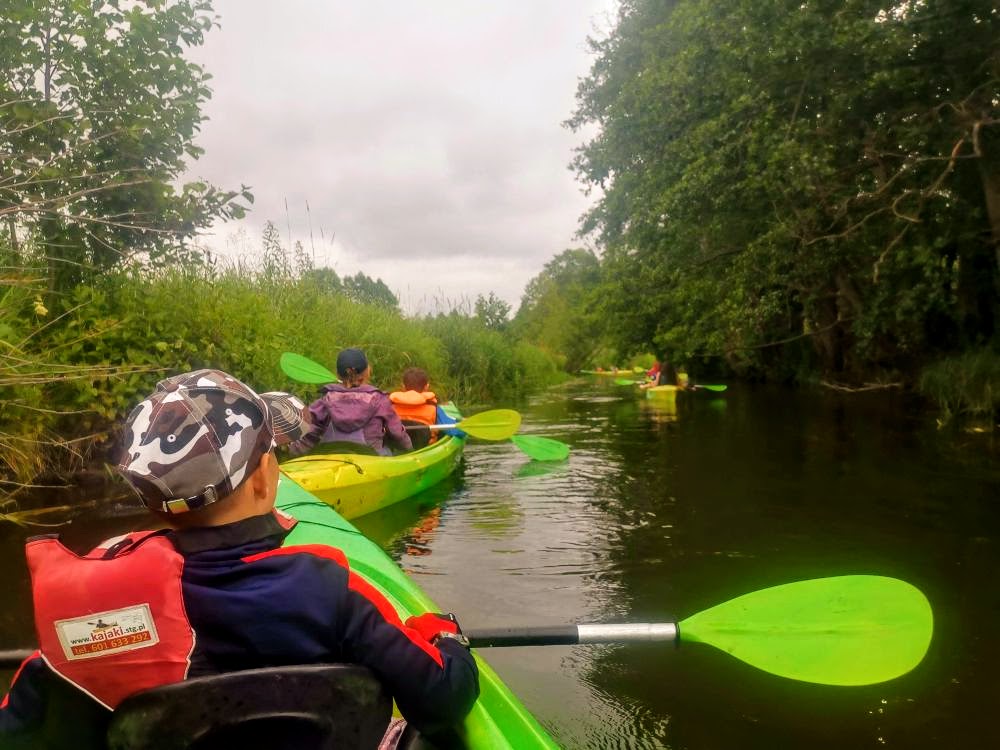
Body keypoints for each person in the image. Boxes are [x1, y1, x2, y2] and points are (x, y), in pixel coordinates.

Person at [0, 369, 478, 749]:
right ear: (266, 479)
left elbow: (22, 729)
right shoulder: (330, 587)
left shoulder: (94, 612)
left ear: (150, 498)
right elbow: (443, 698)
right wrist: (447, 636)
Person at [292, 348, 412, 456]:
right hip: (371, 459)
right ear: (367, 371)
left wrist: (292, 452)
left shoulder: (324, 401)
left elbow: (309, 435)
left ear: (338, 373)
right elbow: (397, 434)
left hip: (331, 458)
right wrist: (410, 450)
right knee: (389, 451)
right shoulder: (381, 401)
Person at [388, 367, 447, 448]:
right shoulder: (433, 406)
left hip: (397, 446)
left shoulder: (391, 405)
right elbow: (453, 430)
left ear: (403, 387)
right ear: (426, 387)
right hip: (425, 447)